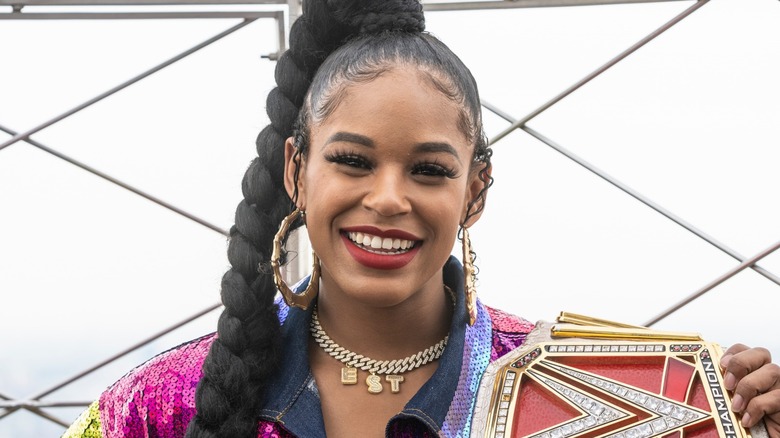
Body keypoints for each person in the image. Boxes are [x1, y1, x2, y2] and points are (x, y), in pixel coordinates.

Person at [62, 0, 780, 437]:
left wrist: (754, 421)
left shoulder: (611, 395)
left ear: (475, 191)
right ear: (295, 172)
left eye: (430, 170)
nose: (388, 198)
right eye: (352, 160)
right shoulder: (158, 405)